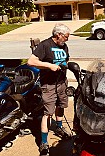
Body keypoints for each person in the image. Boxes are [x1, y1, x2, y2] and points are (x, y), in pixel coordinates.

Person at [27, 23, 71, 156]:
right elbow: (31, 61)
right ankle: (44, 142)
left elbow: (66, 59)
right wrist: (49, 65)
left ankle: (59, 127)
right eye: (66, 37)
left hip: (62, 82)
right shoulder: (45, 45)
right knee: (48, 113)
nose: (67, 39)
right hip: (49, 85)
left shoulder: (64, 46)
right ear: (58, 35)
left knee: (61, 106)